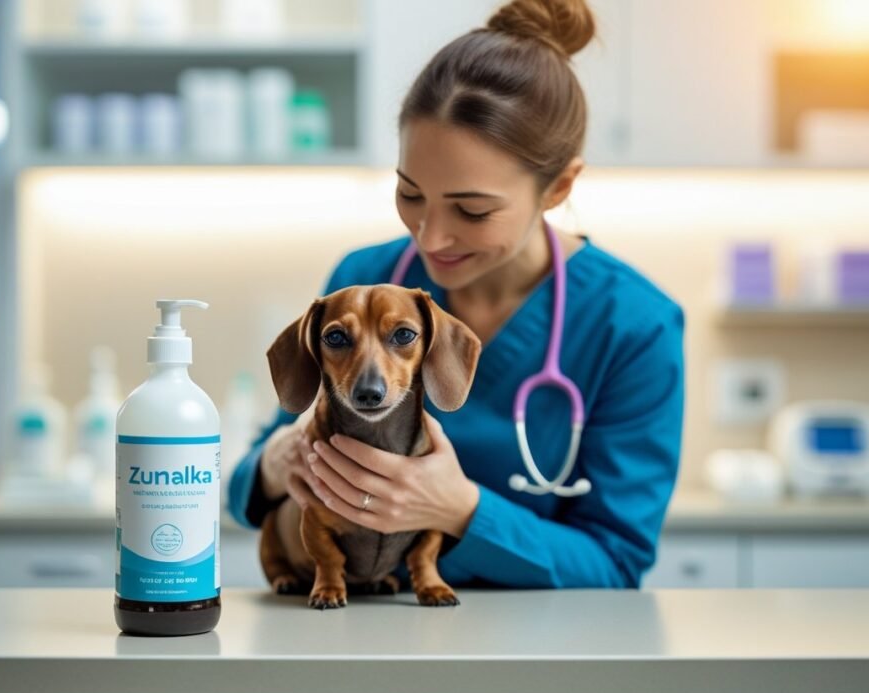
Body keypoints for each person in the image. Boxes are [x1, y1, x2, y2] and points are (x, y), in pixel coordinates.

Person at [228, 0, 684, 589]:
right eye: (410, 194)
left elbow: (615, 564)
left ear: (559, 187)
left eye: (471, 210)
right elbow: (252, 484)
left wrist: (460, 510)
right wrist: (276, 460)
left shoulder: (633, 325)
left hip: (538, 636)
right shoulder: (365, 278)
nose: (430, 237)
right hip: (359, 626)